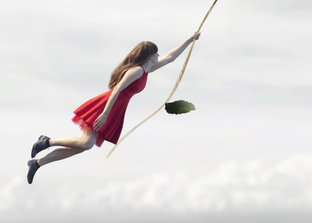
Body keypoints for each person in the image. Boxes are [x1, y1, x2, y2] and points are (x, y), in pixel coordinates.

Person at [27, 31, 201, 184]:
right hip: (107, 106)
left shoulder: (147, 70)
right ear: (149, 56)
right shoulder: (137, 71)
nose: (158, 55)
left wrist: (190, 39)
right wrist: (104, 114)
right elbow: (116, 90)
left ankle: (37, 163)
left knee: (81, 147)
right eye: (156, 53)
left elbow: (171, 57)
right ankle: (46, 142)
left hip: (115, 109)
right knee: (86, 144)